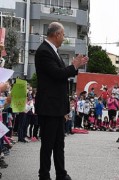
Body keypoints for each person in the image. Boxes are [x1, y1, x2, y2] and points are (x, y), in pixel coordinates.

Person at [35, 22, 88, 180]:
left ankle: (61, 174)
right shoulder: (44, 51)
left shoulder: (54, 51)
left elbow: (62, 76)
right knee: (48, 145)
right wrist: (74, 66)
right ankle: (44, 175)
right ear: (56, 34)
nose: (64, 37)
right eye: (63, 34)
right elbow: (57, 74)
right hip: (49, 107)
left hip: (57, 107)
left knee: (59, 144)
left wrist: (74, 67)